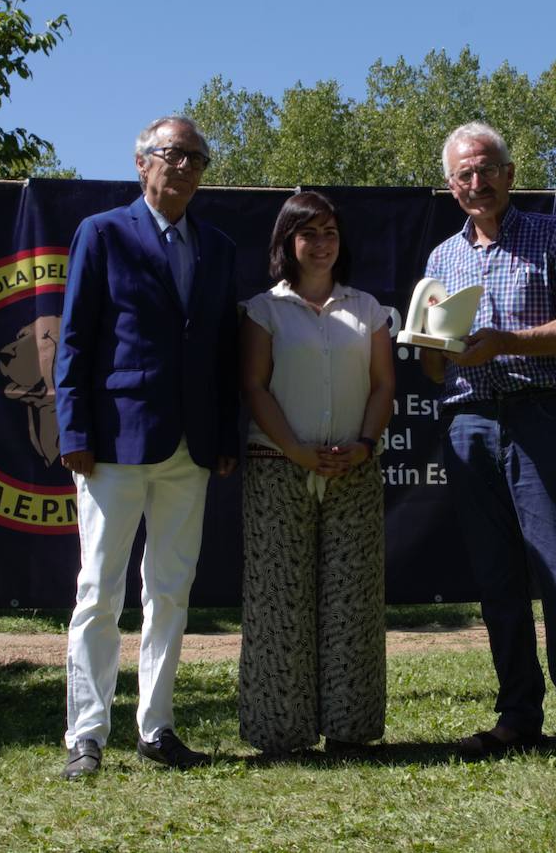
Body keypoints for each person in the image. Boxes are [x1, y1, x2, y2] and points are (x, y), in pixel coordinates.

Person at [420, 121, 556, 761]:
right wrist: (429, 347)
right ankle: (517, 718)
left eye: (485, 169)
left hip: (542, 417)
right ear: (450, 186)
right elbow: (433, 367)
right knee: (497, 579)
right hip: (469, 423)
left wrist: (505, 341)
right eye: (463, 175)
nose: (475, 183)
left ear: (509, 174)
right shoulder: (441, 261)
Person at [54, 116, 239, 779]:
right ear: (142, 162)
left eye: (196, 157)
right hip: (111, 446)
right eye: (172, 154)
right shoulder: (101, 233)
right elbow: (74, 340)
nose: (185, 166)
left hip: (190, 448)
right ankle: (87, 735)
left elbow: (222, 349)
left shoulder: (217, 247)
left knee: (171, 592)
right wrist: (73, 431)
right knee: (98, 593)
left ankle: (156, 729)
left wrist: (222, 434)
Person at [237, 191, 394, 755]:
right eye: (309, 234)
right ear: (288, 242)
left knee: (353, 599)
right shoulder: (265, 309)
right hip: (278, 466)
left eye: (330, 232)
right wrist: (297, 450)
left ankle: (350, 731)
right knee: (280, 601)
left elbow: (383, 387)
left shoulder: (368, 308)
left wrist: (364, 444)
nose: (322, 243)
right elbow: (254, 387)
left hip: (354, 468)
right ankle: (280, 733)